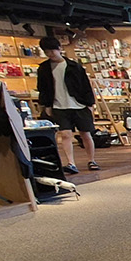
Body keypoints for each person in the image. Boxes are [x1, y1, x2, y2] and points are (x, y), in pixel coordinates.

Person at [35, 36, 98, 174]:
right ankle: (71, 162)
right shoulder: (44, 68)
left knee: (85, 133)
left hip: (79, 104)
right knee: (65, 134)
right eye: (47, 51)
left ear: (59, 48)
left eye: (52, 50)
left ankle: (91, 160)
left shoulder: (74, 66)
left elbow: (85, 86)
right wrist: (46, 105)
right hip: (58, 106)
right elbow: (42, 88)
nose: (50, 54)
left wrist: (90, 104)